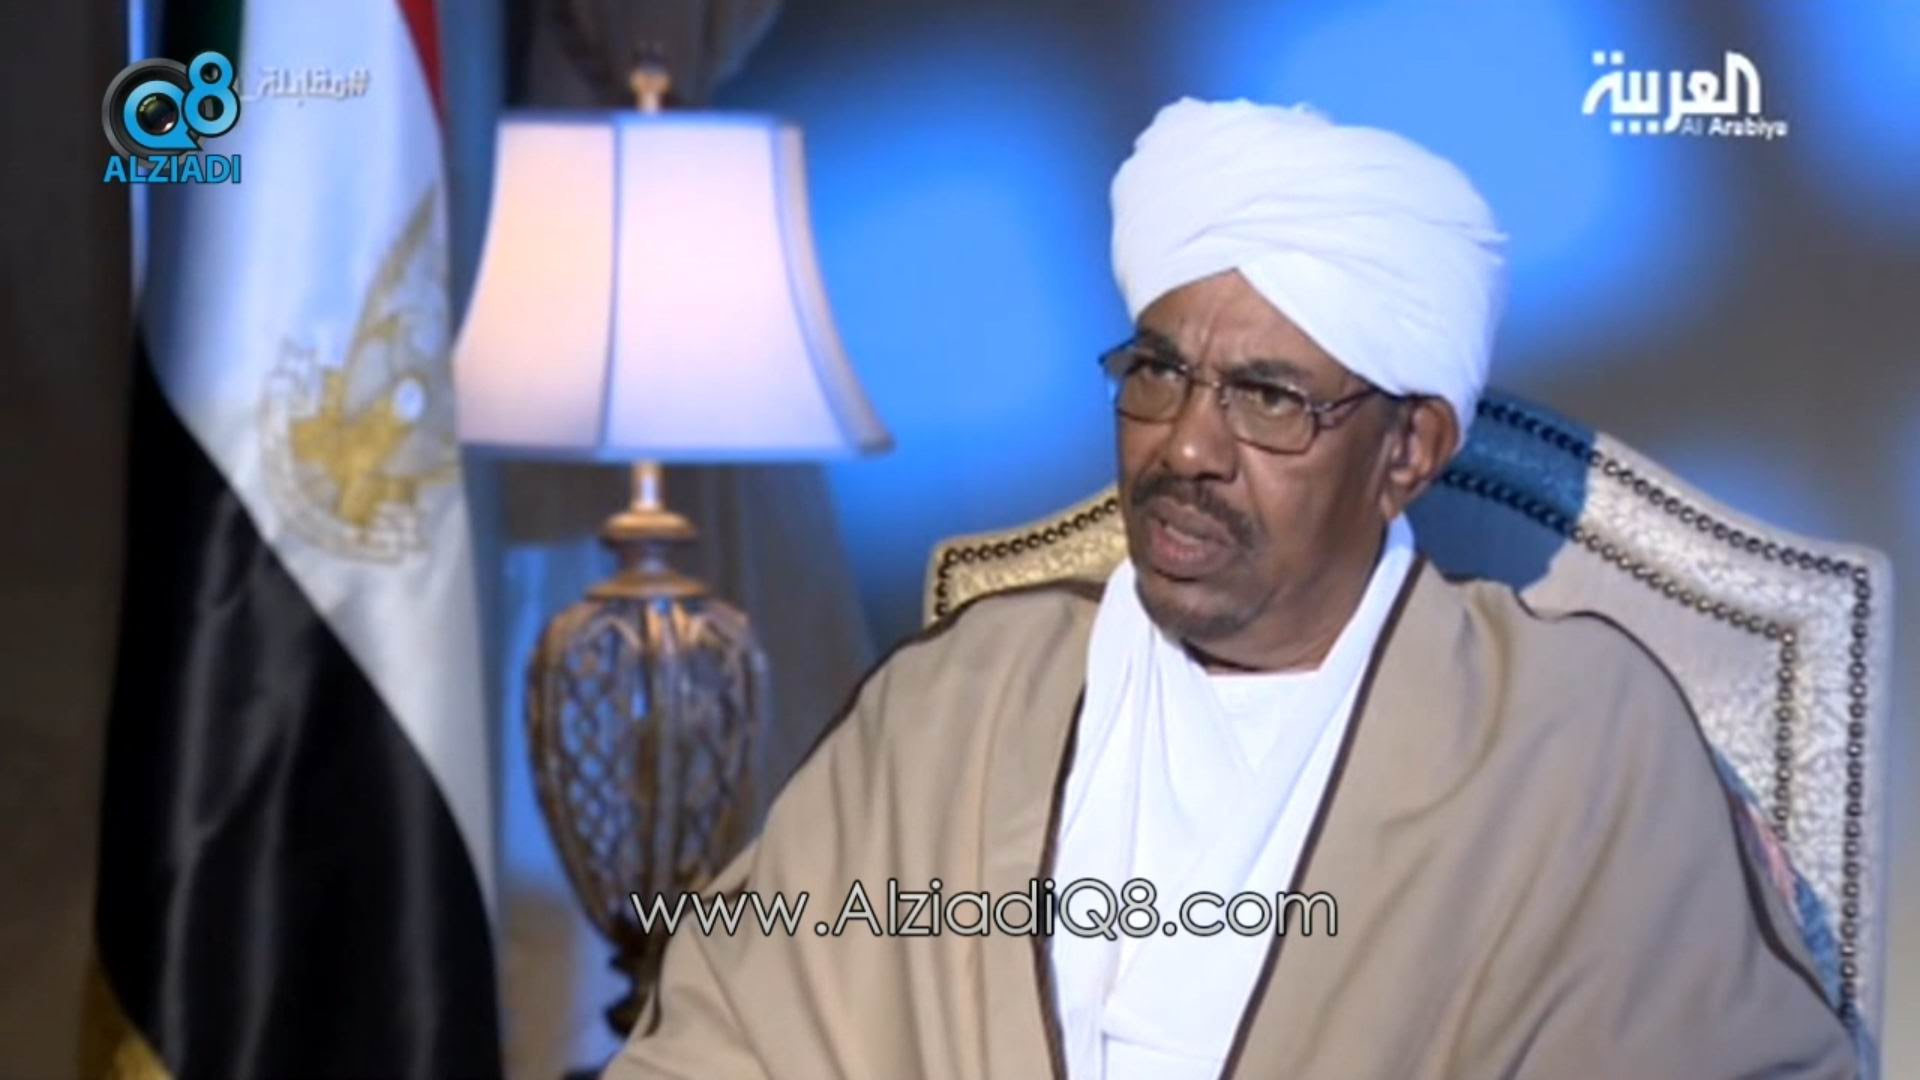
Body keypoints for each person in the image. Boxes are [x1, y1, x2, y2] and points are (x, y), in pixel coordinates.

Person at [603, 98, 1856, 1079]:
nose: (1186, 447)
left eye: (1267, 399)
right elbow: (717, 1041)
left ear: (1409, 453)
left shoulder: (1568, 744)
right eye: (1157, 374)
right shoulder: (960, 705)